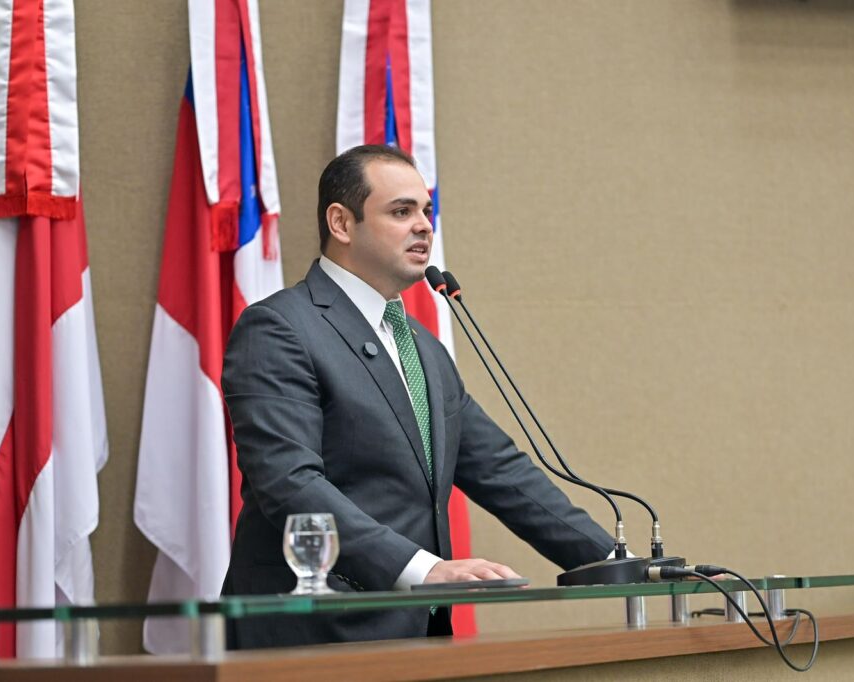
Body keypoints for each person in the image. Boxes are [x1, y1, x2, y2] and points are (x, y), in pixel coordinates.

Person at [220, 144, 614, 649]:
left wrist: (615, 560)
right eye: (402, 211)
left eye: (426, 211)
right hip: (311, 633)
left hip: (415, 637)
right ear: (341, 223)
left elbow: (500, 471)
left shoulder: (421, 346)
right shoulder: (280, 329)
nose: (425, 226)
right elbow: (289, 482)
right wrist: (421, 569)